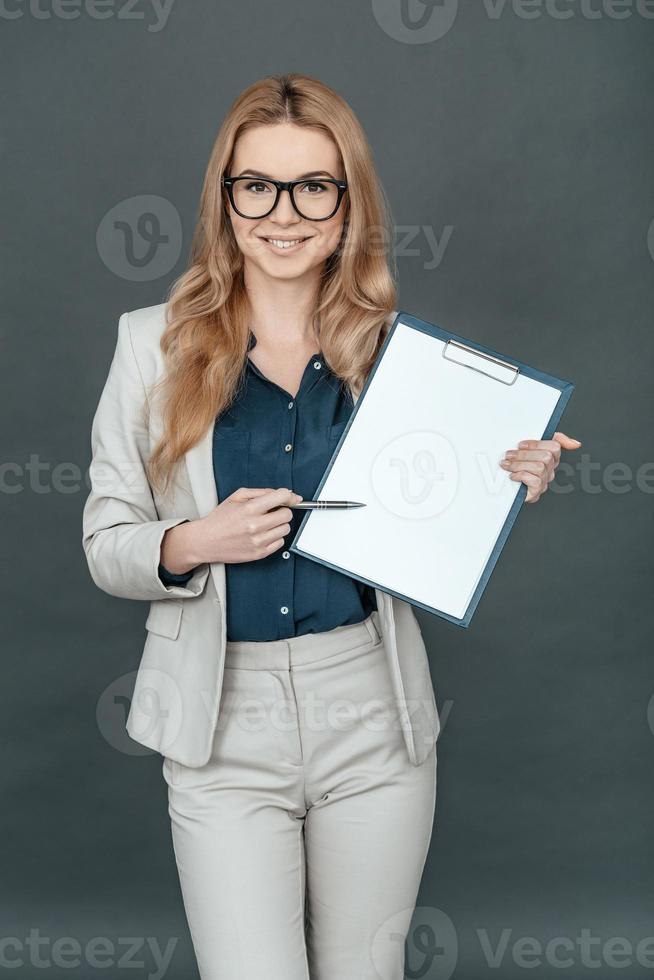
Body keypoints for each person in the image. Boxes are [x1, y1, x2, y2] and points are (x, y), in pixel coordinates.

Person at [82, 72, 581, 980]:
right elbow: (105, 540)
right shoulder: (147, 344)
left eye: (315, 185)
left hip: (372, 711)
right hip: (219, 717)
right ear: (225, 200)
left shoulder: (399, 356)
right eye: (257, 185)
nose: (285, 212)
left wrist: (509, 477)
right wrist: (194, 541)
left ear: (348, 202)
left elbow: (434, 506)